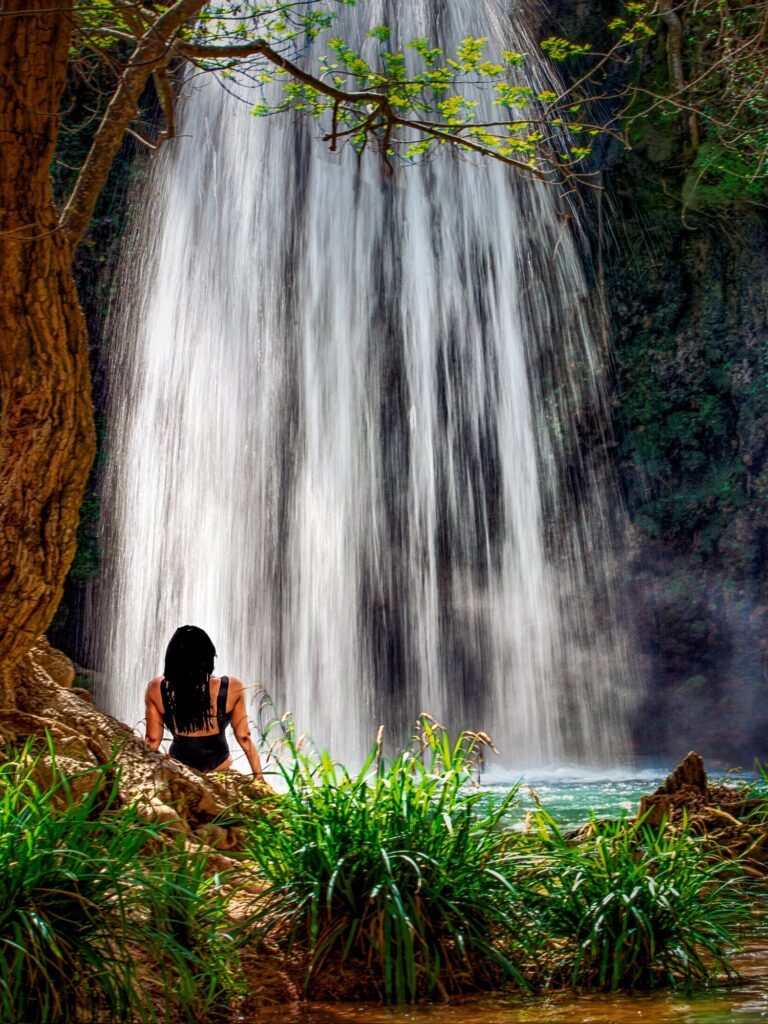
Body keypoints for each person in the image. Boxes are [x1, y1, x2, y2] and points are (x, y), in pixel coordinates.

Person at [144, 625, 264, 780]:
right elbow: (244, 736)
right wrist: (259, 778)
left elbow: (152, 741)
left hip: (179, 774)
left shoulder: (157, 689)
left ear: (171, 659)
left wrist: (146, 779)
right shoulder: (232, 687)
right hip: (220, 773)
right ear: (208, 657)